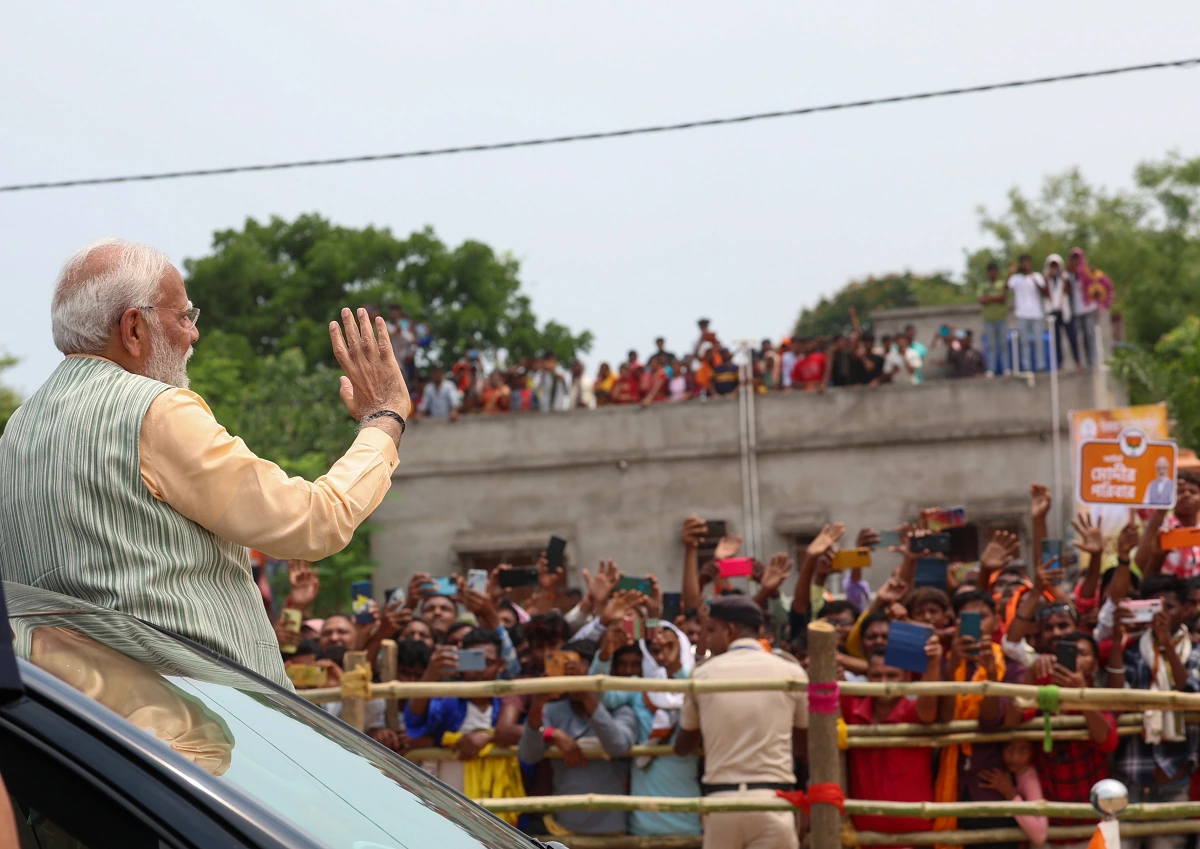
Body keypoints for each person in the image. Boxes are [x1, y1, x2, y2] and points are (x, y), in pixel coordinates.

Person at [0, 239, 408, 690]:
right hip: (192, 725)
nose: (193, 334)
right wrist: (383, 419)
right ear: (133, 328)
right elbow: (313, 521)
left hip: (75, 730)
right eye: (183, 317)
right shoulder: (154, 409)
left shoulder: (16, 433)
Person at [675, 595, 808, 849]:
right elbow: (803, 744)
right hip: (773, 799)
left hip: (721, 801)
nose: (709, 638)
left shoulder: (702, 675)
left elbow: (685, 743)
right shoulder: (790, 672)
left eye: (712, 630)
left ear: (730, 631)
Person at [1109, 574, 1200, 845]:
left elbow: (1193, 694)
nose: (1162, 616)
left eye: (1169, 608)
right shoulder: (1134, 650)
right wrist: (1116, 640)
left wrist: (1167, 646)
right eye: (1154, 608)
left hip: (1175, 781)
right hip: (1131, 777)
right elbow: (1114, 697)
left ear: (1185, 610)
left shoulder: (1195, 652)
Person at [518, 649, 639, 837]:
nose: (573, 679)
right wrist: (539, 711)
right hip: (563, 829)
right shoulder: (552, 711)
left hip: (612, 832)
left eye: (581, 674)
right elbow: (529, 755)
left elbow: (618, 746)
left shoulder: (621, 711)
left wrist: (585, 691)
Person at [841, 643, 942, 844]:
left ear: (906, 678)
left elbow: (929, 701)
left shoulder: (915, 712)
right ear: (868, 678)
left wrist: (933, 663)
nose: (883, 683)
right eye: (876, 676)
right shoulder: (853, 712)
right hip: (864, 839)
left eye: (892, 675)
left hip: (915, 839)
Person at [1137, 469, 1200, 579]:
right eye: (1180, 492)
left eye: (1193, 492)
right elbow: (1141, 564)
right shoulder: (1161, 526)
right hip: (1168, 592)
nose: (1186, 495)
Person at [1008, 254, 1047, 372]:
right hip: (1022, 315)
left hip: (1036, 314)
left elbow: (1043, 291)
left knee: (1038, 341)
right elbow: (1006, 288)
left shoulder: (1037, 276)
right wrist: (1010, 273)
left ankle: (1041, 366)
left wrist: (1032, 276)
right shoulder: (1015, 278)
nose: (1025, 265)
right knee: (1024, 342)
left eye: (1027, 262)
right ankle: (1026, 366)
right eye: (1023, 263)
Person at [1044, 254, 1080, 369]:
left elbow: (1069, 292)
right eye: (1052, 266)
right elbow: (1044, 293)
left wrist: (1063, 280)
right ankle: (1060, 363)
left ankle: (1077, 361)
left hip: (1065, 312)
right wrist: (1047, 277)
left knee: (1072, 338)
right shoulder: (1046, 279)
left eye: (1056, 266)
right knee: (1056, 340)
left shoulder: (1065, 278)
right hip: (1052, 312)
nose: (1054, 268)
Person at [1068, 247, 1101, 368]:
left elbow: (1099, 284)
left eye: (1078, 258)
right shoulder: (1070, 275)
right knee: (1080, 336)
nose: (1076, 261)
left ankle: (1092, 360)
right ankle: (1084, 361)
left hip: (1089, 308)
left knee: (1090, 334)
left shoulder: (1089, 271)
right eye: (1074, 259)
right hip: (1077, 310)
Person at [978, 260, 1011, 375]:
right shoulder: (983, 286)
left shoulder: (1001, 284)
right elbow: (981, 300)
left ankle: (1006, 368)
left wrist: (990, 298)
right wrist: (995, 298)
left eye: (994, 271)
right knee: (991, 346)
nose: (992, 273)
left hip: (1001, 319)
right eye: (990, 271)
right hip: (989, 320)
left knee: (1003, 345)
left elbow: (1004, 297)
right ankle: (991, 369)